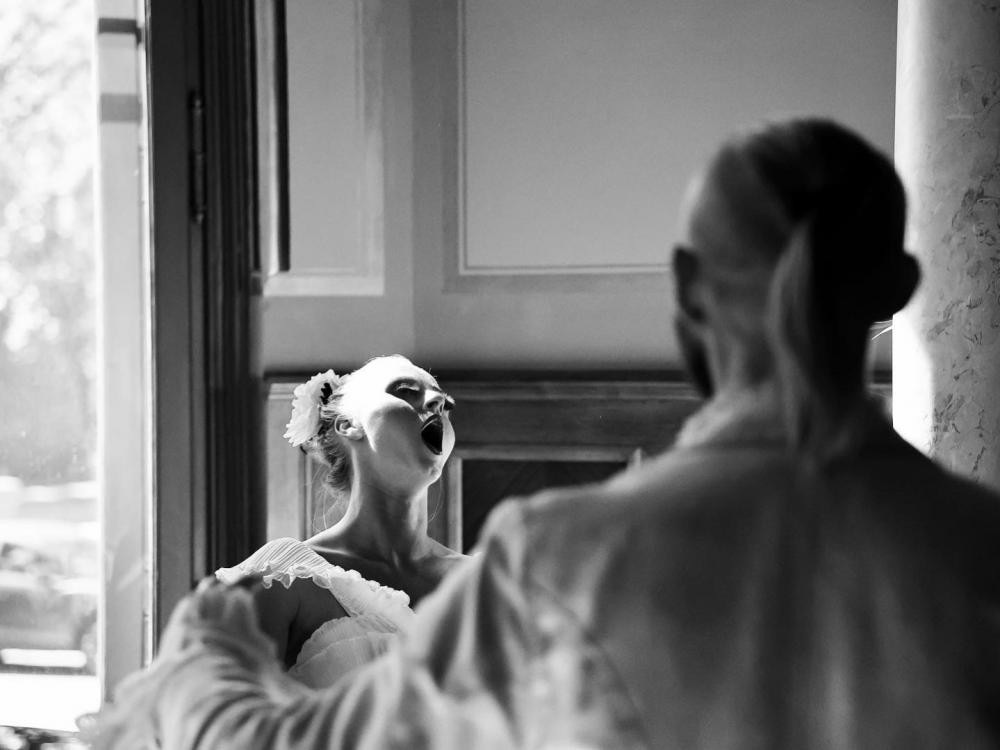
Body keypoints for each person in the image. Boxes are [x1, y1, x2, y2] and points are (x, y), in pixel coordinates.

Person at [96, 119, 1000, 749]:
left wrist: (209, 656)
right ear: (898, 288)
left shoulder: (565, 559)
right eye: (409, 393)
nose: (436, 407)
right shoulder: (983, 552)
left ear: (689, 291)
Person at [214, 355, 466, 687]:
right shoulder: (285, 577)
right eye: (406, 391)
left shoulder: (491, 582)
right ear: (348, 424)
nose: (436, 402)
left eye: (445, 405)